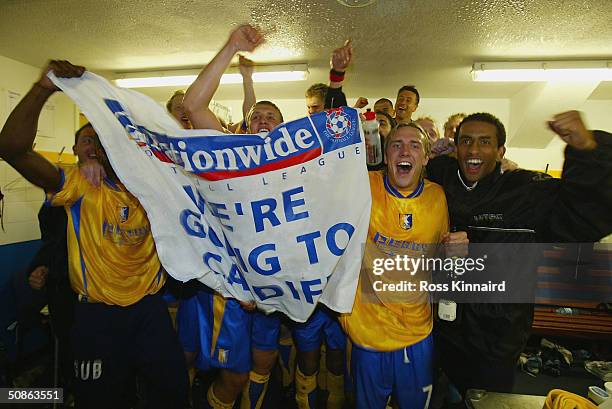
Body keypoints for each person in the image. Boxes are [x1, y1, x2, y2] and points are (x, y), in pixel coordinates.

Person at [0, 60, 189, 409]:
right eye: (88, 140)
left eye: (103, 140)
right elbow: (12, 149)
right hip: (96, 317)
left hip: (149, 312)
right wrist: (43, 89)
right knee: (98, 400)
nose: (97, 147)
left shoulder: (155, 187)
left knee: (172, 395)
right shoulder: (80, 186)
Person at [426, 111, 612, 401]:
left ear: (501, 152)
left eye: (485, 142)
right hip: (438, 332)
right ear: (456, 147)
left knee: (486, 402)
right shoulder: (439, 182)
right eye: (466, 141)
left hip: (495, 340)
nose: (474, 150)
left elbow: (584, 218)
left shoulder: (526, 192)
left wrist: (587, 150)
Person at [339, 121, 465, 409]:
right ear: (386, 156)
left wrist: (456, 254)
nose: (404, 151)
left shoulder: (438, 197)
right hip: (367, 332)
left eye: (414, 145)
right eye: (396, 145)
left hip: (417, 332)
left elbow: (439, 264)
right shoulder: (363, 186)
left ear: (426, 158)